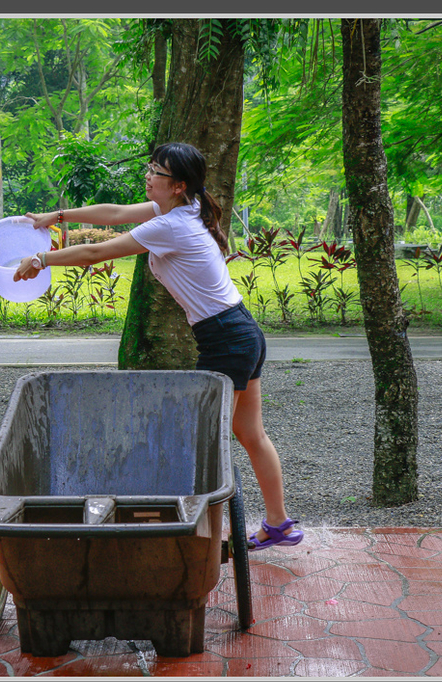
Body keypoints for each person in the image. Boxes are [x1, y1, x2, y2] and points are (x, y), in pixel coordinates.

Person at [15, 142, 303, 551]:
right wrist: (57, 216)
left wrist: (42, 259)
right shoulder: (177, 210)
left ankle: (199, 538)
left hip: (226, 339)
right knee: (249, 433)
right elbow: (113, 213)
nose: (149, 175)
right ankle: (279, 525)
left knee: (206, 442)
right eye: (151, 167)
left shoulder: (172, 225)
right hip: (240, 332)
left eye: (158, 172)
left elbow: (96, 253)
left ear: (179, 185)